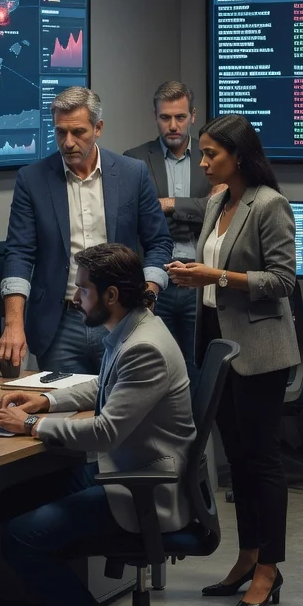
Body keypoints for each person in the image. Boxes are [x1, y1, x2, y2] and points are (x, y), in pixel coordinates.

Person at [0, 243, 195, 606]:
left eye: (83, 289)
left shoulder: (145, 347)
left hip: (143, 486)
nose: (75, 297)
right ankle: (55, 598)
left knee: (18, 536)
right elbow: (104, 386)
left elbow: (104, 432)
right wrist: (43, 402)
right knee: (10, 502)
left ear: (111, 296)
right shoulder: (134, 328)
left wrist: (28, 427)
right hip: (129, 469)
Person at [166, 114, 298, 606]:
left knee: (263, 462)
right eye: (201, 154)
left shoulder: (270, 205)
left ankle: (270, 568)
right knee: (236, 462)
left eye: (210, 155)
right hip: (218, 348)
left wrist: (217, 275)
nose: (201, 163)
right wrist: (193, 278)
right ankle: (247, 557)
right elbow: (213, 273)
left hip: (260, 352)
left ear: (238, 156)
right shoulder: (218, 201)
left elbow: (283, 281)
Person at [0, 86, 172, 375]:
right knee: (60, 408)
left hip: (121, 317)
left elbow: (159, 243)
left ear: (98, 128)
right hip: (60, 323)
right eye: (60, 132)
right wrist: (13, 324)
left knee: (120, 407)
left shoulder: (132, 173)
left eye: (78, 132)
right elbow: (19, 253)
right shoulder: (32, 179)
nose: (68, 142)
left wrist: (149, 295)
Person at [125, 80, 218, 389]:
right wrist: (192, 209)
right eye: (165, 117)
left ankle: (197, 435)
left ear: (192, 115)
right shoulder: (135, 159)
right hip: (156, 280)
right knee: (156, 366)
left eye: (180, 117)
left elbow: (216, 208)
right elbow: (138, 216)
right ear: (156, 117)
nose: (173, 125)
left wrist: (170, 205)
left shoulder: (211, 157)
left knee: (197, 366)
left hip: (199, 280)